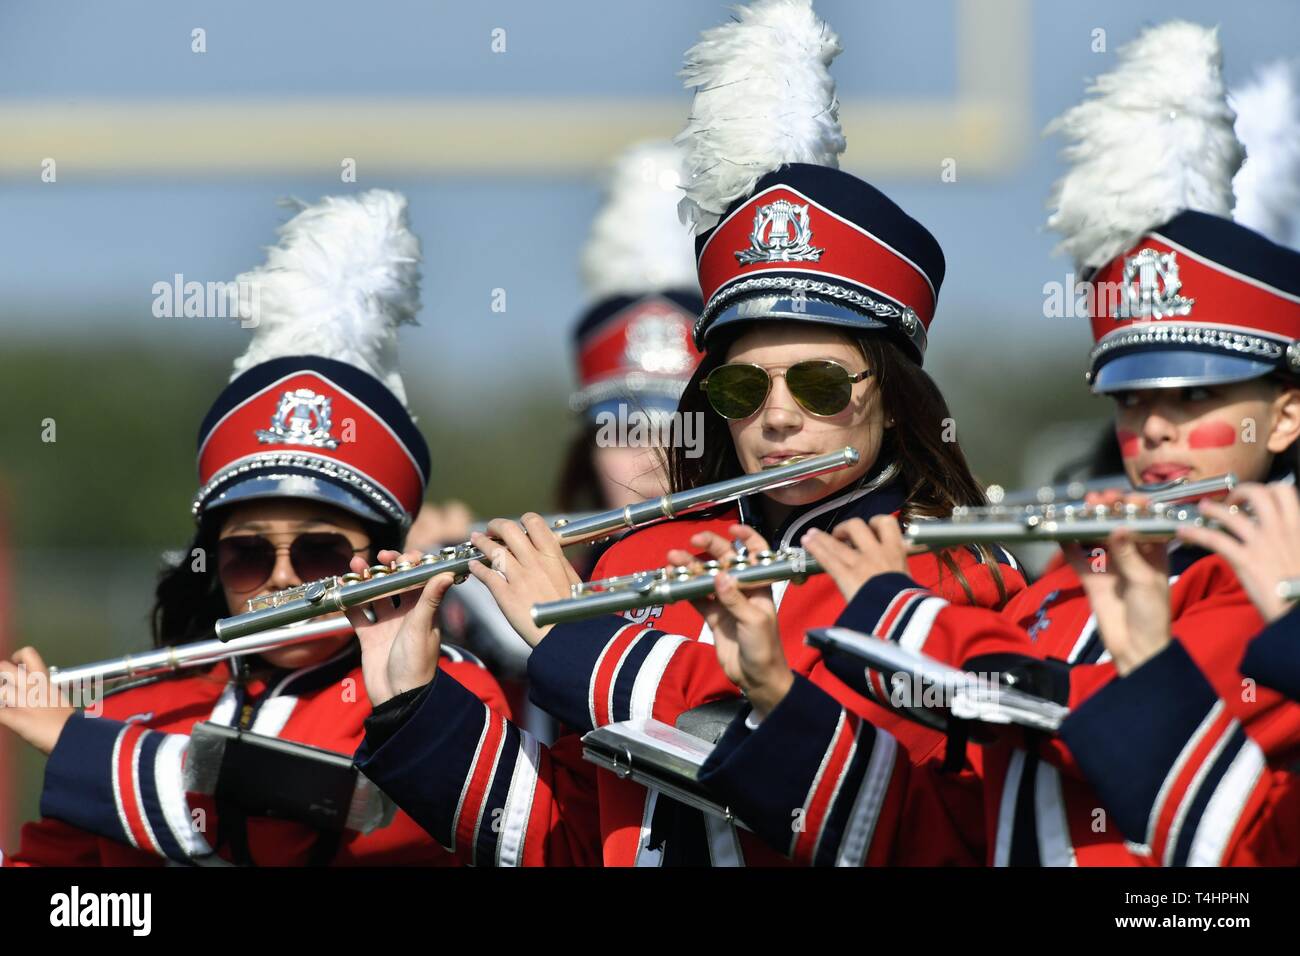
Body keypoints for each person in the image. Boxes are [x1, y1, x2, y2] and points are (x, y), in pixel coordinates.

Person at [347, 0, 1024, 867]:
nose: (777, 416)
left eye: (819, 383)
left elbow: (879, 818)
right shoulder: (638, 564)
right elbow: (570, 836)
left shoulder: (952, 573)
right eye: (743, 385)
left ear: (890, 399)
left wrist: (572, 642)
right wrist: (412, 699)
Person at [693, 20, 1300, 866]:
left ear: (1285, 417)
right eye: (1132, 402)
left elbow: (1094, 729)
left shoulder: (1265, 604)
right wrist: (779, 699)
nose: (1153, 429)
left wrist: (895, 611)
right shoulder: (1053, 603)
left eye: (1195, 397)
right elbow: (942, 839)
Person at [0, 190, 508, 867]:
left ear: (383, 559)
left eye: (320, 551)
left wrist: (77, 746)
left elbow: (334, 805)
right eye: (245, 554)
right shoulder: (143, 708)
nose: (280, 578)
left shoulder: (440, 693)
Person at [1055, 481, 1300, 866]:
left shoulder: (1259, 580)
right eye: (1131, 416)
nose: (1155, 431)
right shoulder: (1060, 582)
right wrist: (1148, 660)